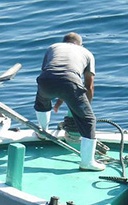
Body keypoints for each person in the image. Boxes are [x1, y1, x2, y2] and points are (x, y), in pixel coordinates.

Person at [34, 32, 105, 171]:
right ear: (80, 44)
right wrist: (84, 108)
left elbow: (55, 73)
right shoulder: (86, 53)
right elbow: (88, 85)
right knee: (89, 120)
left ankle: (43, 132)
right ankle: (87, 162)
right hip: (70, 82)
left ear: (64, 41)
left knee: (42, 103)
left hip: (45, 79)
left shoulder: (53, 47)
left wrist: (60, 101)